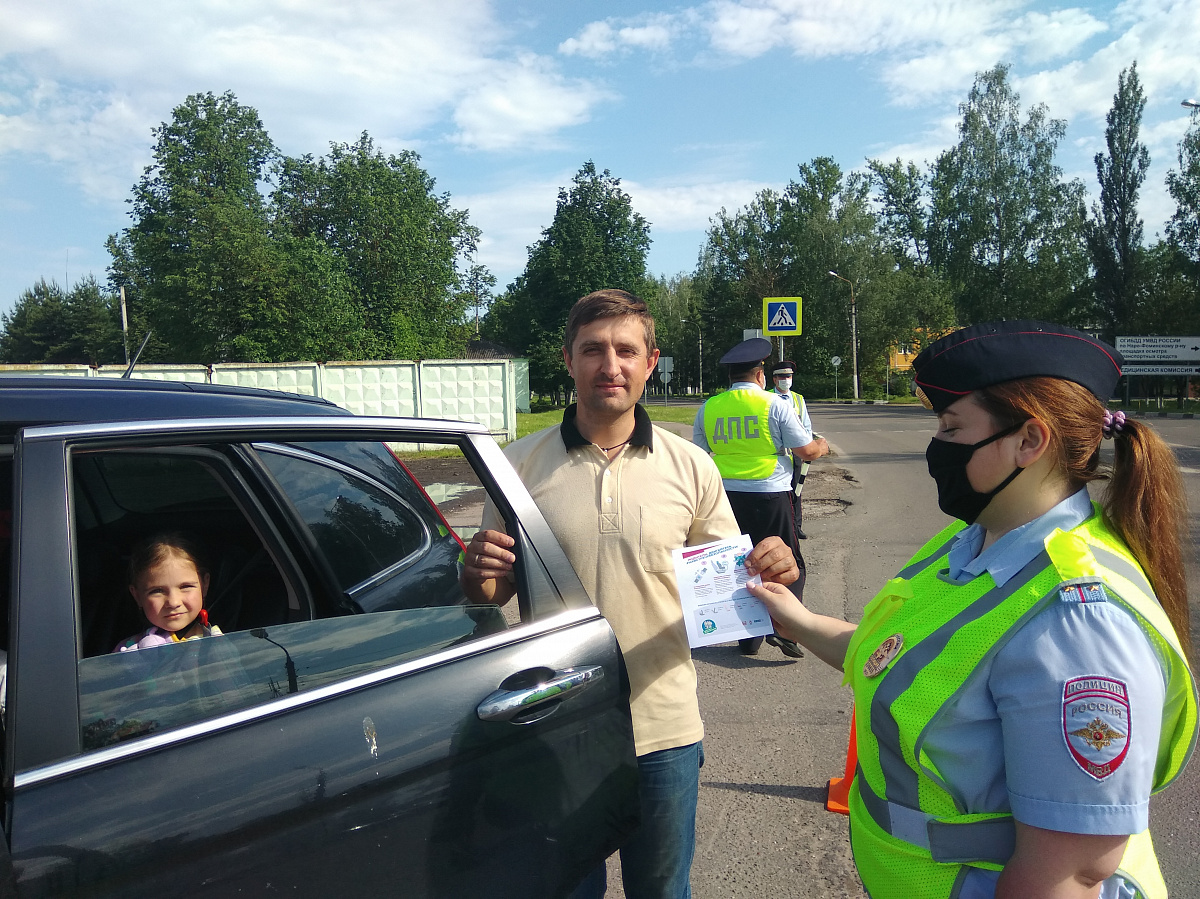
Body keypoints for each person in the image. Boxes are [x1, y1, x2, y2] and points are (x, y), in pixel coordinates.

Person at [749, 320, 1197, 899]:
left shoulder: (1079, 621)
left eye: (953, 427)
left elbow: (1073, 874)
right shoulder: (974, 542)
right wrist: (796, 618)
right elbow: (898, 658)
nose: (937, 447)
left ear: (1028, 442)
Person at [461, 289, 801, 899]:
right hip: (554, 727)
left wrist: (773, 568)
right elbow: (490, 593)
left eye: (625, 350)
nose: (609, 365)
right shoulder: (513, 467)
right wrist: (475, 572)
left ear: (651, 361)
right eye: (593, 350)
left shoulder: (691, 465)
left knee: (663, 890)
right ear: (568, 359)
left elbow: (737, 585)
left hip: (663, 726)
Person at [693, 339, 829, 657]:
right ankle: (789, 630)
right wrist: (822, 446)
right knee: (788, 563)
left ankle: (748, 637)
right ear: (760, 375)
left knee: (741, 564)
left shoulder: (709, 407)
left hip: (726, 497)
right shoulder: (774, 404)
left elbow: (697, 456)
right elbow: (806, 450)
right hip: (770, 494)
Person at [115, 533, 223, 652]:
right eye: (157, 591)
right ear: (137, 596)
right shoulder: (127, 651)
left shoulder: (217, 645)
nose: (173, 602)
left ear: (204, 585)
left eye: (186, 586)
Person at [771, 358, 813, 540]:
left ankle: (796, 526)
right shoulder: (768, 398)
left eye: (788, 376)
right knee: (780, 491)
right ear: (774, 379)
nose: (786, 379)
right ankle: (781, 527)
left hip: (795, 453)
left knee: (797, 489)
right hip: (776, 455)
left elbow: (806, 425)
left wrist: (808, 450)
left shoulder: (798, 399)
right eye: (782, 376)